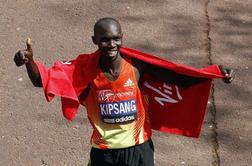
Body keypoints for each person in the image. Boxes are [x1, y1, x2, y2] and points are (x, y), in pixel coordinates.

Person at [14, 17, 234, 166]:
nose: (111, 44)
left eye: (116, 39)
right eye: (105, 40)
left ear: (122, 38)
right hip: (104, 152)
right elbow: (42, 80)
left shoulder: (137, 66)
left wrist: (215, 72)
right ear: (94, 41)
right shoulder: (84, 69)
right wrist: (29, 62)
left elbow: (179, 77)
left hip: (139, 149)